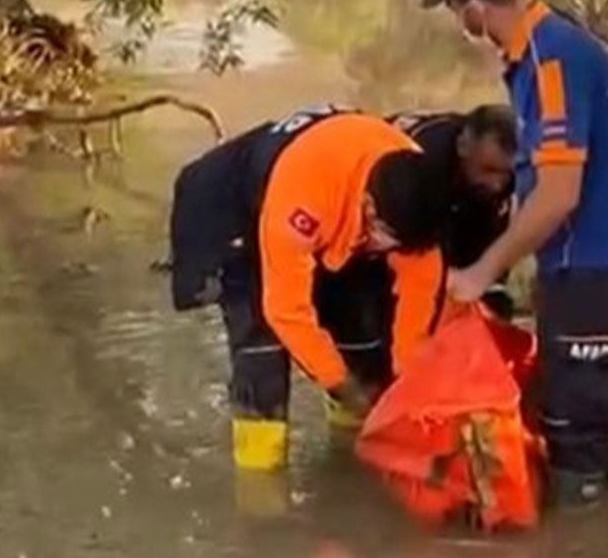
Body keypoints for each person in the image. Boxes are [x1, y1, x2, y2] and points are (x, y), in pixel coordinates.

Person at [423, 0, 608, 508]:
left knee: (575, 430)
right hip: (605, 259)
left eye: (458, 9)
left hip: (600, 263)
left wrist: (485, 270)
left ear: (476, 7)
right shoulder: (544, 50)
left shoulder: (550, 59)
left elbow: (559, 193)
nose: (461, 21)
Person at [169, 105, 448, 472]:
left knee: (365, 350)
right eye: (389, 241)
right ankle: (261, 498)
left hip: (338, 211)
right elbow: (287, 310)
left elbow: (415, 317)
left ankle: (354, 466)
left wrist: (409, 399)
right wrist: (341, 384)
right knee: (262, 358)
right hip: (236, 212)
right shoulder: (304, 196)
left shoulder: (418, 202)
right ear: (369, 209)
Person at [386, 104, 519, 317]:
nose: (497, 184)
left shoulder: (502, 181)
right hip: (385, 208)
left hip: (455, 196)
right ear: (463, 147)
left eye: (506, 173)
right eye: (488, 170)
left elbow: (488, 255)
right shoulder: (419, 161)